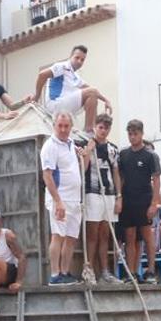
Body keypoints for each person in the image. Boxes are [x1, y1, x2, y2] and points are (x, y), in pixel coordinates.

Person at [40, 111, 87, 285]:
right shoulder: (50, 146)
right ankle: (54, 274)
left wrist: (84, 153)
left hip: (74, 199)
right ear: (54, 126)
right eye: (60, 125)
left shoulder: (70, 143)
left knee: (71, 236)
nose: (63, 129)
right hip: (60, 197)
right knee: (58, 234)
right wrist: (57, 200)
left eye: (66, 126)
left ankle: (65, 272)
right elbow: (47, 175)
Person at [117, 120, 161, 284]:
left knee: (147, 235)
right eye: (130, 134)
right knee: (129, 237)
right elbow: (120, 177)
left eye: (135, 134)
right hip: (128, 200)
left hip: (144, 200)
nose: (132, 137)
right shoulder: (123, 154)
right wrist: (119, 197)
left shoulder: (150, 155)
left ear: (141, 134)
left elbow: (156, 180)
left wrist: (154, 203)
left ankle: (150, 271)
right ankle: (132, 273)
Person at [83, 113, 123, 284]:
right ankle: (89, 269)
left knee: (105, 235)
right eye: (100, 127)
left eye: (106, 128)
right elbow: (82, 167)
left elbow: (116, 172)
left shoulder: (113, 149)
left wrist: (119, 196)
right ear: (95, 127)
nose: (103, 131)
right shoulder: (86, 144)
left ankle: (105, 272)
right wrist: (88, 151)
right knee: (92, 233)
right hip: (92, 192)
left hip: (109, 194)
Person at [34, 44, 111, 132]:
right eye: (77, 58)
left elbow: (93, 90)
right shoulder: (62, 66)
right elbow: (42, 75)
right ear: (71, 56)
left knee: (93, 98)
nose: (79, 61)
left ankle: (92, 129)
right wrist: (37, 96)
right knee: (92, 93)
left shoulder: (75, 76)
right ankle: (89, 130)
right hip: (56, 104)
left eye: (82, 60)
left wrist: (106, 100)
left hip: (65, 105)